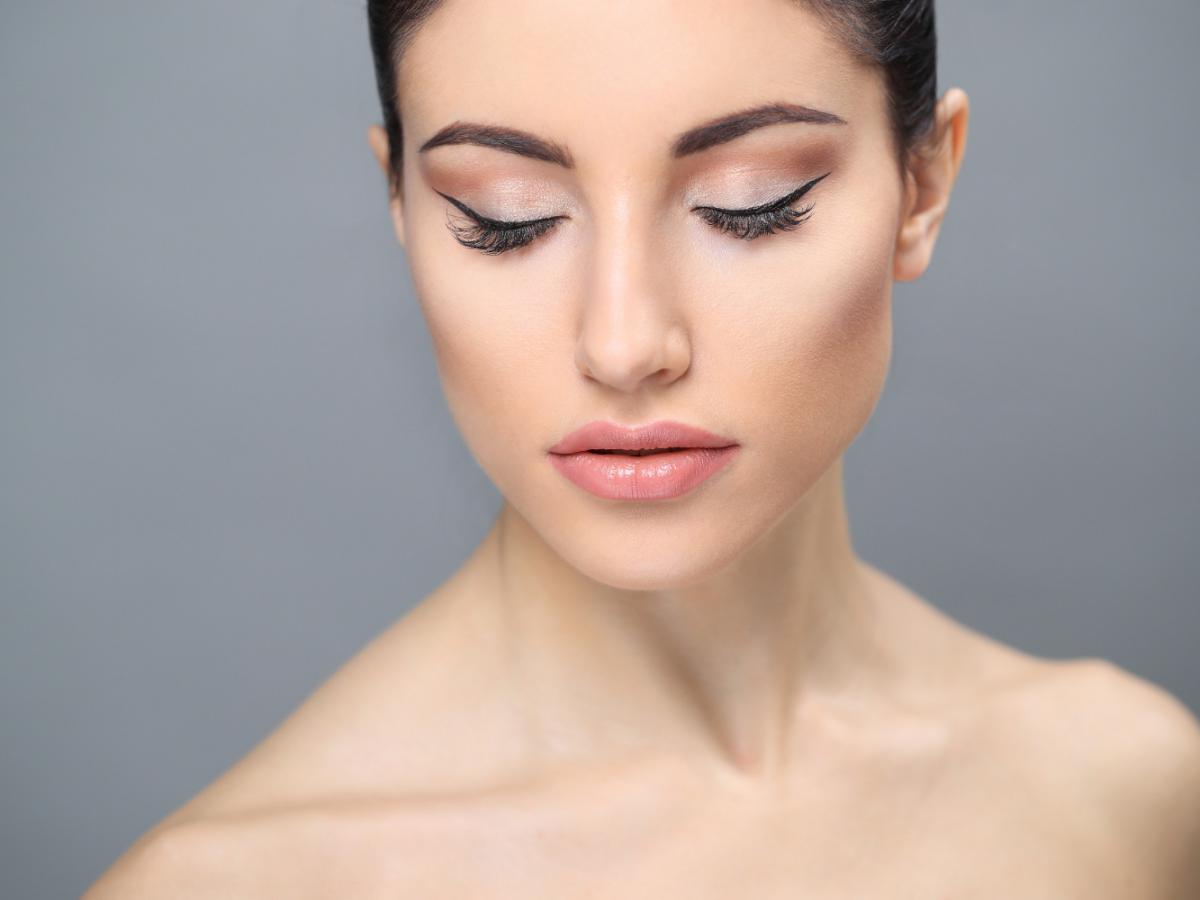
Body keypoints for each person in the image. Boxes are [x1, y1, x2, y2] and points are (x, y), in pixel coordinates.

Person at [85, 0, 1200, 895]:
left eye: (752, 205)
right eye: (504, 218)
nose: (623, 345)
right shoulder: (232, 884)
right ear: (401, 206)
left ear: (925, 185)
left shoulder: (1126, 787)